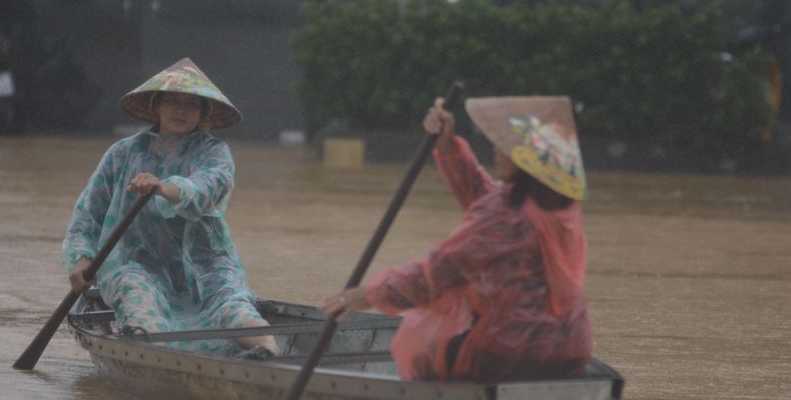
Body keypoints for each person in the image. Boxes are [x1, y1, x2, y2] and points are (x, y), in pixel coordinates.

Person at [322, 96, 592, 382]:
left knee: (425, 349)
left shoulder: (505, 215)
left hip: (511, 353)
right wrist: (447, 146)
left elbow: (434, 275)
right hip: (572, 347)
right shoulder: (560, 206)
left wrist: (367, 295)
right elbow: (485, 198)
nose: (496, 150)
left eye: (506, 147)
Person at [62, 58, 280, 357]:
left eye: (191, 104)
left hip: (205, 264)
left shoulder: (213, 151)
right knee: (139, 300)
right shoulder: (123, 153)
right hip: (136, 264)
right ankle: (160, 357)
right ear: (157, 107)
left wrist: (163, 187)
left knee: (234, 308)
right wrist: (80, 259)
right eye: (172, 100)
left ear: (202, 114)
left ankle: (269, 353)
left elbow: (208, 187)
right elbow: (90, 213)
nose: (180, 109)